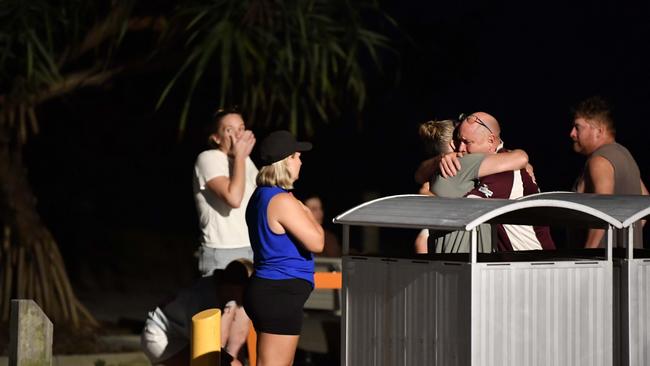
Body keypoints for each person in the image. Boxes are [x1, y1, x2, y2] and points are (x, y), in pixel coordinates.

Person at [244, 130, 324, 366]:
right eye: (296, 156)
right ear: (285, 161)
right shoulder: (282, 201)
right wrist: (306, 210)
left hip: (271, 290)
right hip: (279, 292)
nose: (300, 162)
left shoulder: (261, 196)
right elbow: (317, 242)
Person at [415, 118, 535, 253]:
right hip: (471, 262)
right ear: (454, 144)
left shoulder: (434, 176)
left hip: (444, 260)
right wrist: (522, 160)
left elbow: (418, 176)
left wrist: (425, 193)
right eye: (463, 141)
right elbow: (520, 158)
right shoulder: (463, 163)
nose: (464, 147)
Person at [443, 112, 555, 251]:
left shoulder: (505, 171)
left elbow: (465, 209)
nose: (460, 149)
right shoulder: (502, 160)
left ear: (491, 140)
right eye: (459, 141)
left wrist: (428, 191)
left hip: (533, 264)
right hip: (518, 261)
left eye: (467, 142)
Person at [140, 259, 253, 366]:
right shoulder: (204, 301)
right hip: (161, 338)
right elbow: (207, 346)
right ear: (235, 286)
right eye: (248, 289)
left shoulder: (215, 289)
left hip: (175, 335)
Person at [569, 96, 648, 248]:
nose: (572, 133)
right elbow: (645, 201)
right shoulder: (625, 155)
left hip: (603, 265)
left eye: (578, 127)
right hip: (626, 264)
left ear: (599, 131)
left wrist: (588, 255)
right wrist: (629, 237)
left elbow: (602, 208)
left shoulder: (599, 161)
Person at [193, 107, 258, 276]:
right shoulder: (209, 158)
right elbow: (234, 198)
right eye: (229, 130)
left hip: (252, 248)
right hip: (223, 251)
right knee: (218, 303)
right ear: (216, 138)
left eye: (241, 128)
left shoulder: (246, 161)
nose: (237, 135)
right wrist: (240, 157)